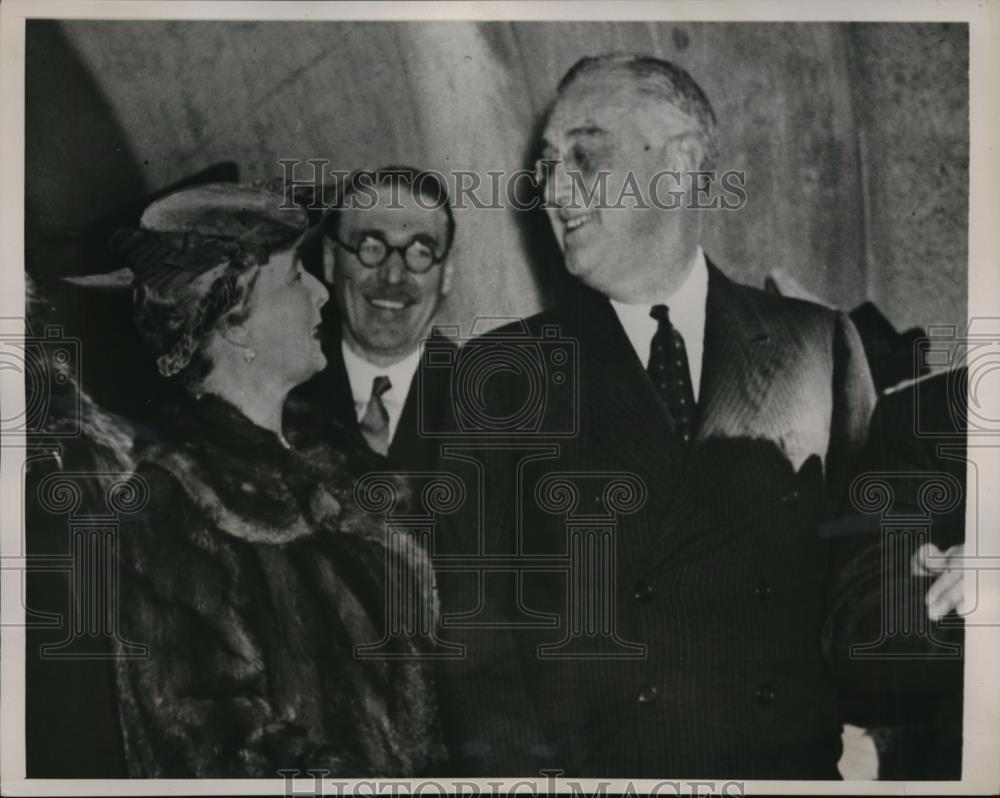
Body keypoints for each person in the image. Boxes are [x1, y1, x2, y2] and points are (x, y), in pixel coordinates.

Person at [435, 54, 963, 779]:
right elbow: (474, 651)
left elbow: (864, 607)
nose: (555, 190)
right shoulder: (499, 375)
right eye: (547, 165)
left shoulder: (818, 345)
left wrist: (946, 596)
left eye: (584, 156)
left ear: (679, 164)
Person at [104, 184, 439, 778]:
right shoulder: (171, 504)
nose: (319, 293)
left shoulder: (337, 456)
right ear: (235, 324)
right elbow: (213, 742)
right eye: (293, 278)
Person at [290, 167, 457, 471]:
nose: (393, 276)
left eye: (420, 251)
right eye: (371, 246)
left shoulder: (490, 404)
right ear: (330, 259)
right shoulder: (283, 391)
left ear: (447, 273)